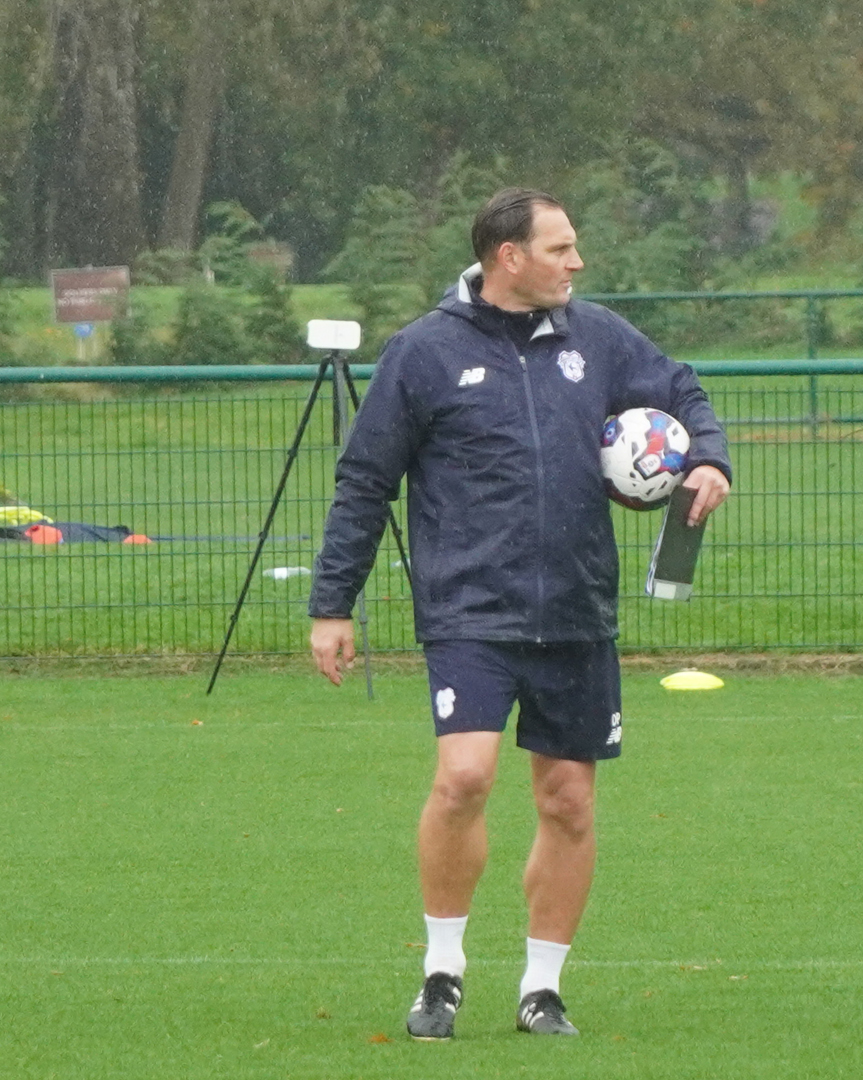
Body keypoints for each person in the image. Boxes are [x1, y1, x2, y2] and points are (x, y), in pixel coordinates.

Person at [308, 187, 731, 1039]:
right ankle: (442, 971)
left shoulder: (599, 337)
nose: (577, 263)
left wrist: (710, 458)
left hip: (575, 607)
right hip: (470, 608)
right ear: (511, 257)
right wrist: (332, 604)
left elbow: (681, 390)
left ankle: (543, 988)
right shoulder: (423, 352)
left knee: (569, 800)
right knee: (463, 778)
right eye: (561, 248)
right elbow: (365, 481)